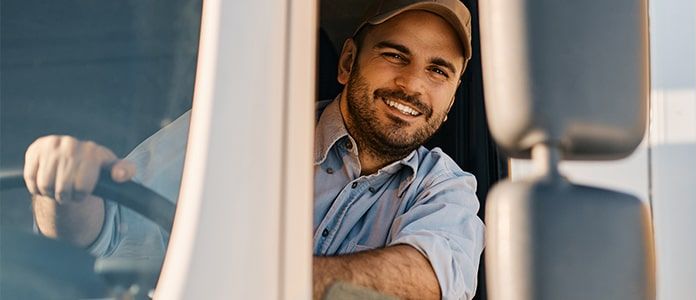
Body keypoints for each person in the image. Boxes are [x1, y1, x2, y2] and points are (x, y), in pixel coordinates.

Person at [22, 0, 483, 298]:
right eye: (394, 55)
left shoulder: (446, 187)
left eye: (438, 70)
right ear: (347, 63)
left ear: (451, 100)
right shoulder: (237, 127)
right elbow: (105, 232)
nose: (412, 84)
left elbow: (425, 282)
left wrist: (246, 278)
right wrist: (62, 188)